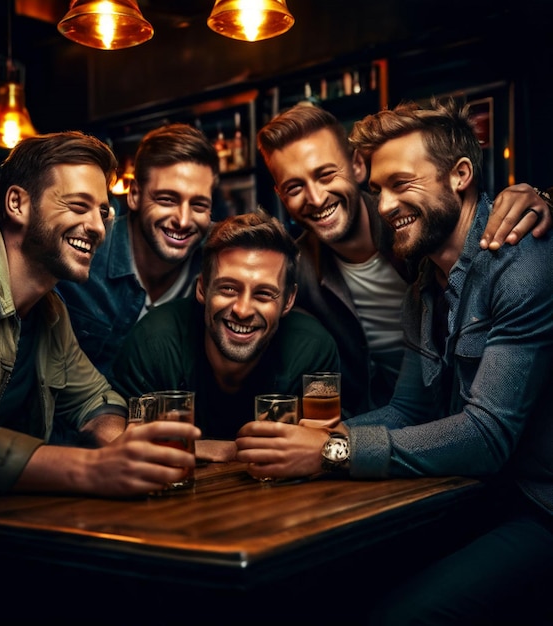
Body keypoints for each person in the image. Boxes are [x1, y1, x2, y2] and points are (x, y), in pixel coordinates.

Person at [237, 98, 553, 624]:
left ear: (460, 176)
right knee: (322, 585)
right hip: (474, 494)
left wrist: (331, 451)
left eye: (401, 185)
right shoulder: (424, 284)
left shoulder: (522, 265)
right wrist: (311, 440)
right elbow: (408, 409)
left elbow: (487, 436)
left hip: (538, 506)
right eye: (378, 189)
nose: (384, 207)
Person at [0, 131, 201, 497]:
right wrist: (94, 469)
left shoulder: (51, 313)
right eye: (77, 206)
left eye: (103, 212)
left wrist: (131, 448)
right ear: (17, 204)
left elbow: (98, 402)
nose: (98, 227)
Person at [256, 102, 553, 414]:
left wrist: (546, 197)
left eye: (326, 174)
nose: (315, 198)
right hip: (386, 435)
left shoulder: (422, 230)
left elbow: (464, 210)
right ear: (280, 196)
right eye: (294, 187)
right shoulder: (294, 276)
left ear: (357, 165)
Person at [0, 122, 219, 377]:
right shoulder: (83, 249)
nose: (182, 220)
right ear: (135, 196)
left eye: (199, 205)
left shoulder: (220, 261)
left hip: (149, 427)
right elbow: (16, 251)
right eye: (167, 199)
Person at [110, 208, 340, 461]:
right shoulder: (153, 343)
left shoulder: (313, 350)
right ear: (202, 288)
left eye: (264, 294)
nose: (242, 310)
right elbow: (130, 449)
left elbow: (322, 446)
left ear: (288, 301)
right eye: (228, 288)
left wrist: (198, 448)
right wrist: (228, 451)